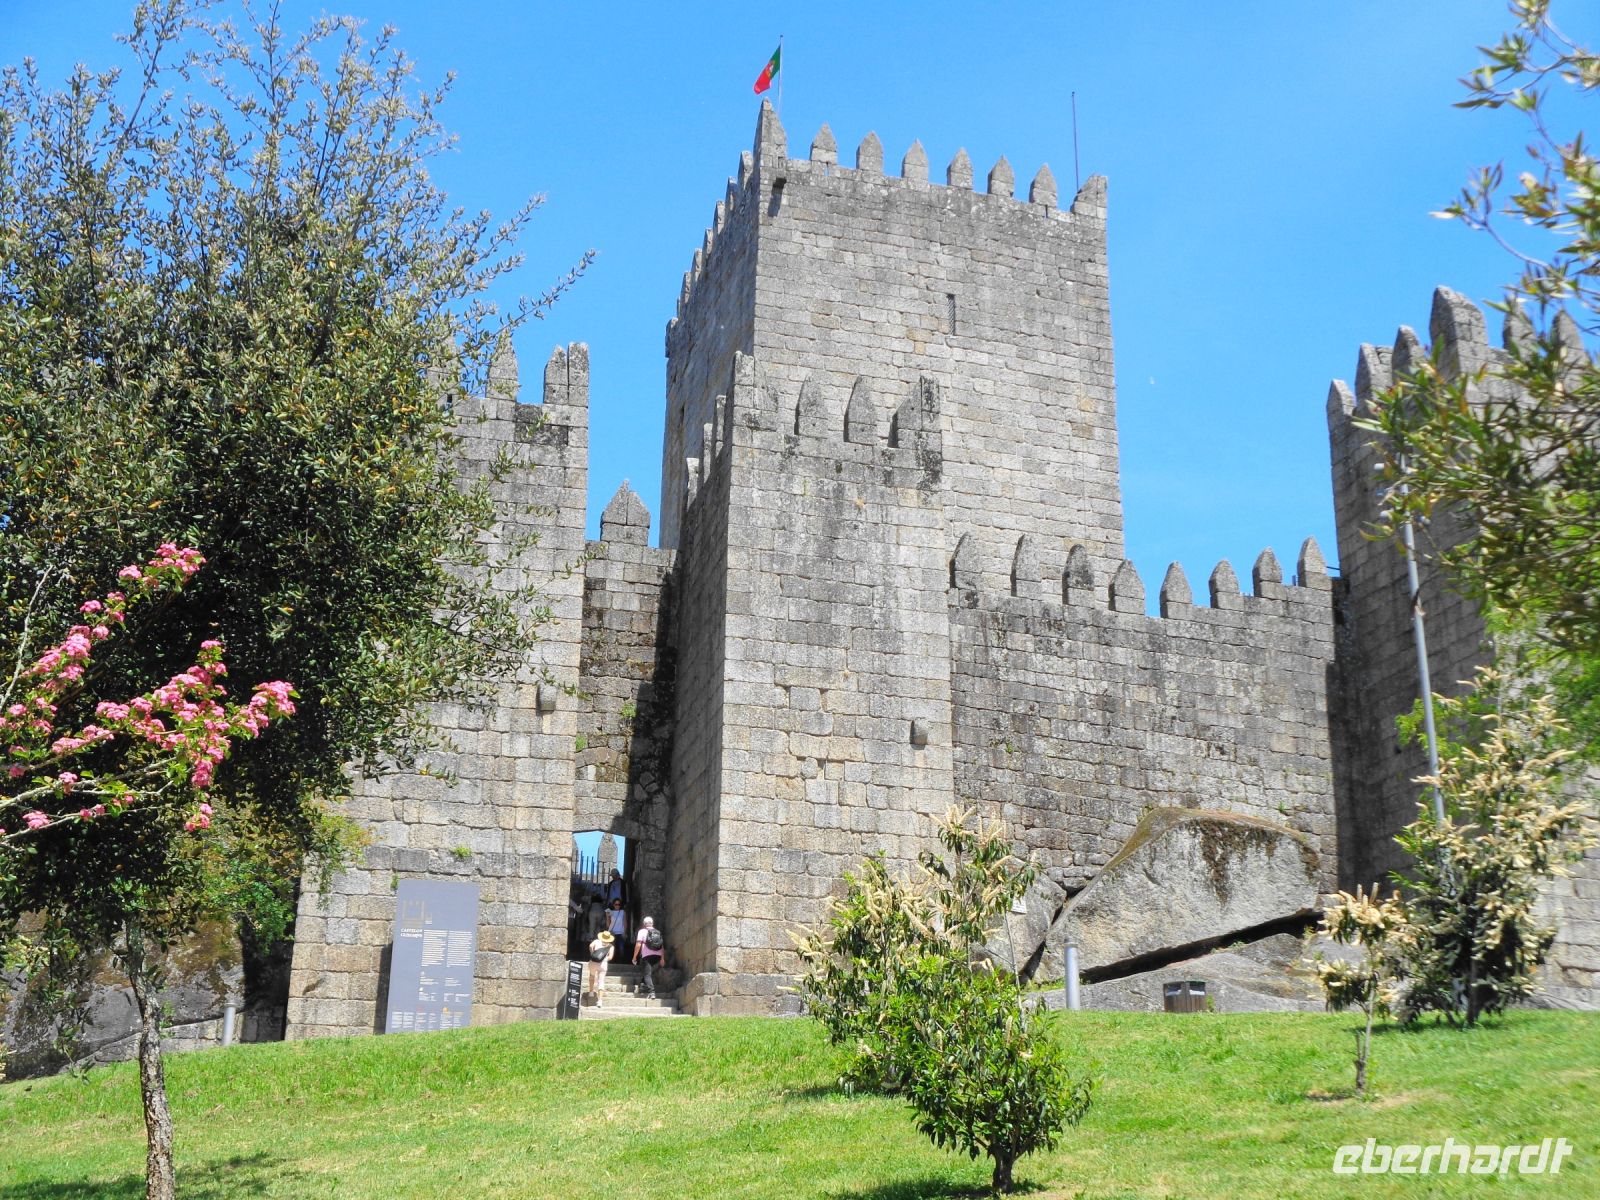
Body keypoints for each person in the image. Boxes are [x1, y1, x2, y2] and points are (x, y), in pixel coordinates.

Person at [633, 915, 665, 999]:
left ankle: (652, 992)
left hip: (647, 955)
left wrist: (634, 957)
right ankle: (643, 985)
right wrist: (662, 958)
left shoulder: (642, 931)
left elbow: (638, 944)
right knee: (646, 970)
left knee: (647, 974)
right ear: (652, 923)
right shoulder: (657, 932)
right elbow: (661, 945)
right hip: (657, 956)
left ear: (644, 924)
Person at [586, 929, 614, 1008]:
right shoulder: (611, 946)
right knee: (601, 981)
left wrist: (592, 953)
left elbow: (590, 946)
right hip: (603, 964)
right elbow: (610, 957)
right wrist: (604, 959)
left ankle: (591, 992)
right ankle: (600, 1001)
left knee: (592, 975)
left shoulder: (596, 941)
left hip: (593, 962)